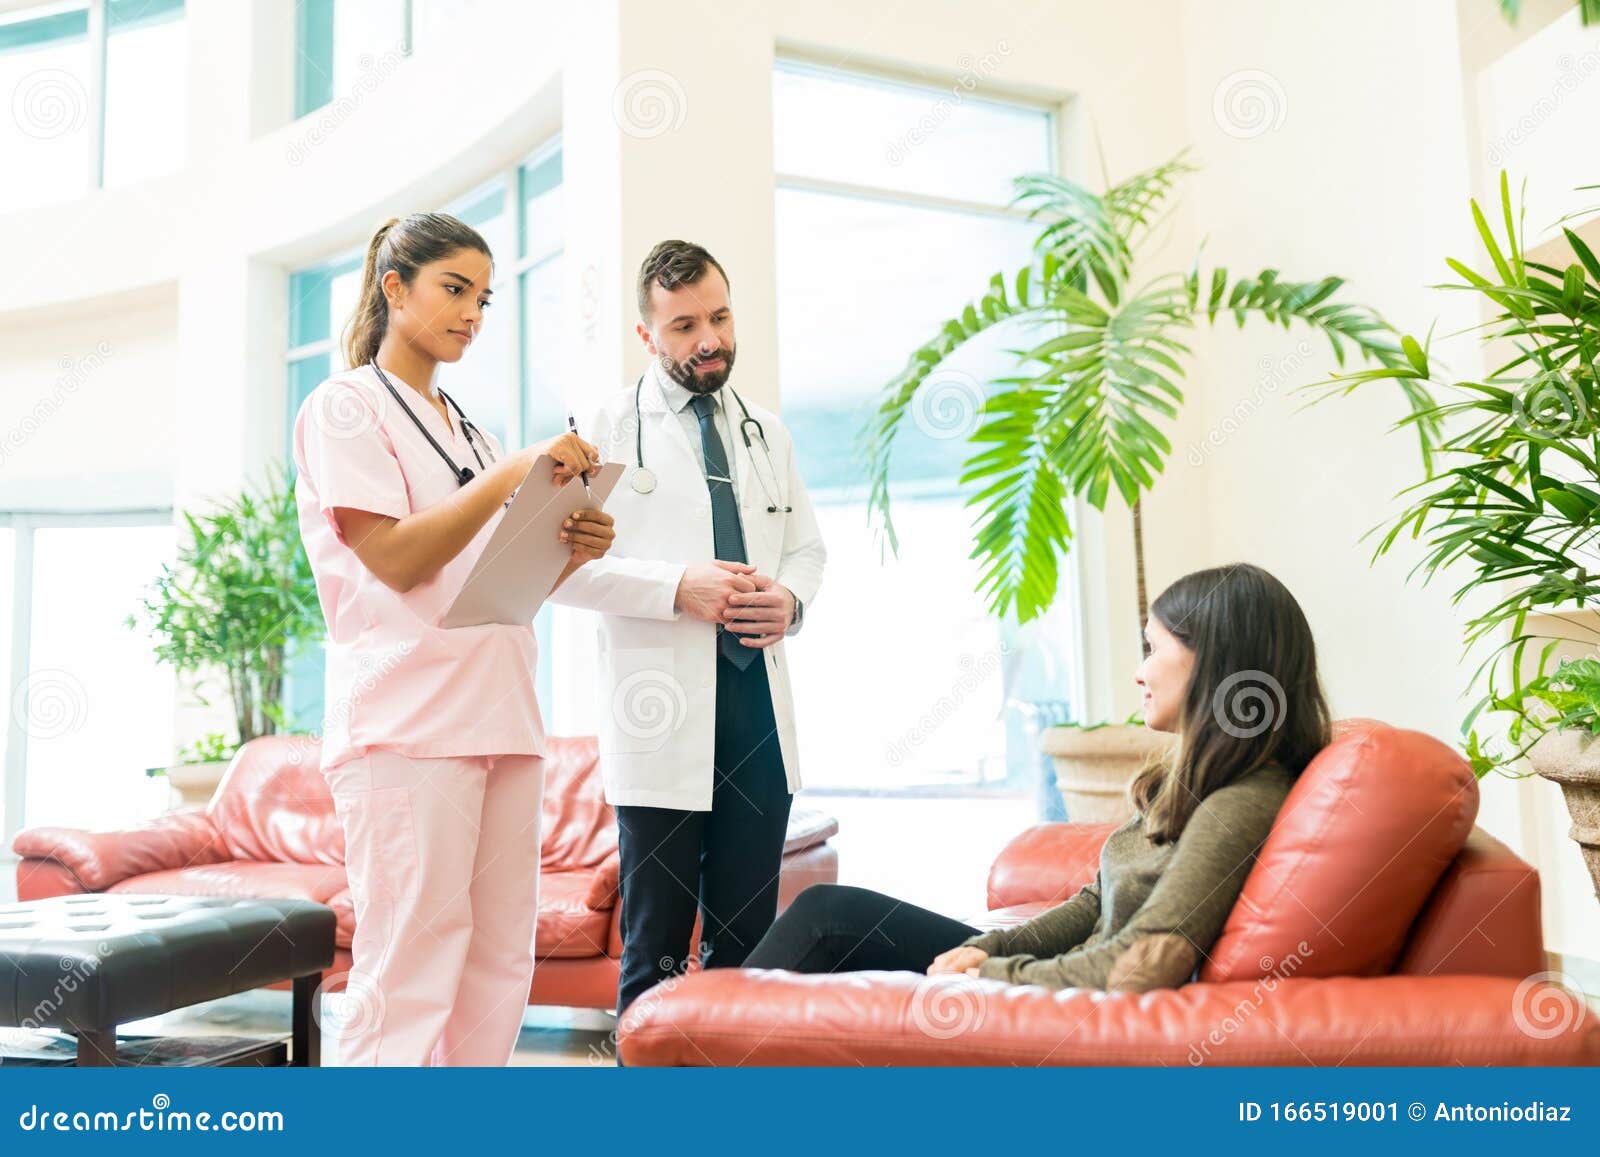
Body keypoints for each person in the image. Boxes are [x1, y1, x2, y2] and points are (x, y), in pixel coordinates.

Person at [292, 212, 615, 1065]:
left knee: (498, 963)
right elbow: (395, 560)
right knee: (410, 967)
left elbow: (486, 592)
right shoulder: (345, 408)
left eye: (484, 296)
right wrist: (516, 475)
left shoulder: (471, 431)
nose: (473, 312)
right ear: (394, 288)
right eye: (455, 289)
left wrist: (564, 551)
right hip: (405, 724)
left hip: (500, 712)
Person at [743, 562, 1331, 993]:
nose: (1139, 672)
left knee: (827, 920)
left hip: (1058, 1003)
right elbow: (1094, 902)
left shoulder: (1240, 804)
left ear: (1214, 662)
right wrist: (989, 947)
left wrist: (995, 973)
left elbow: (1143, 962)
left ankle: (684, 1071)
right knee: (830, 916)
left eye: (1153, 649)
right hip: (1050, 976)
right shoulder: (1198, 782)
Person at [547, 239, 826, 1016]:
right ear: (647, 335)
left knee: (749, 951)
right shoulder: (600, 429)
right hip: (659, 708)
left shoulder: (767, 431)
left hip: (757, 711)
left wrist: (792, 601)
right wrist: (679, 586)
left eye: (720, 316)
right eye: (683, 326)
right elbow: (560, 571)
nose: (709, 339)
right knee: (657, 949)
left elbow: (806, 546)